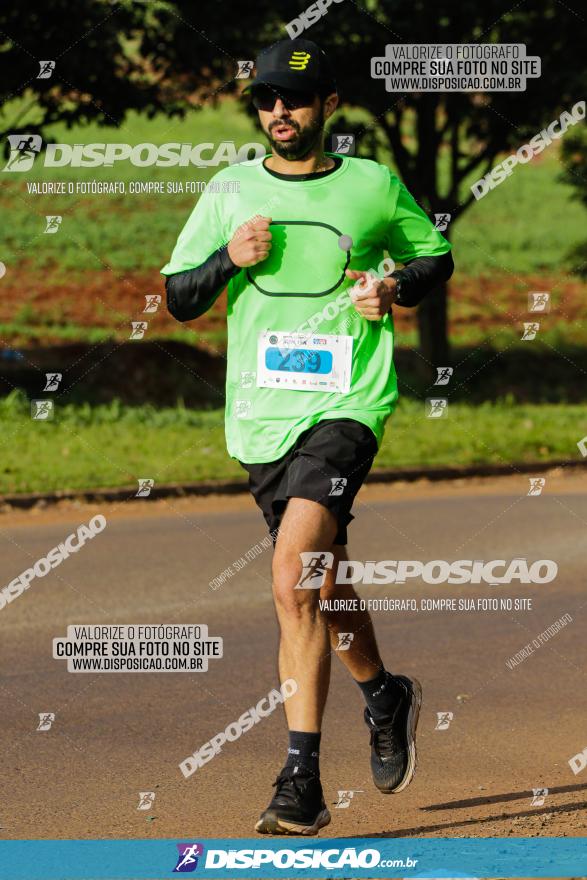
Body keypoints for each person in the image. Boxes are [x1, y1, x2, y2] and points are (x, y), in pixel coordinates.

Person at [162, 37, 454, 836]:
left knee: (292, 576)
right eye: (264, 100)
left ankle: (301, 782)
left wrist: (391, 287)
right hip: (261, 416)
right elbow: (178, 298)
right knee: (322, 584)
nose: (278, 112)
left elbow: (433, 255)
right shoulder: (228, 190)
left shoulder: (369, 184)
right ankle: (383, 694)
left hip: (347, 405)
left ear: (328, 104)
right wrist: (229, 257)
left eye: (293, 98)